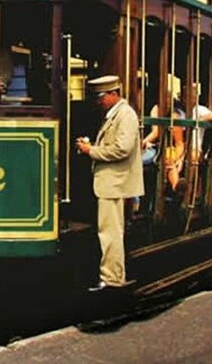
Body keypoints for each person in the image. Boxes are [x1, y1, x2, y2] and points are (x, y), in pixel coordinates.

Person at [75, 74, 144, 291]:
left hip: (114, 183)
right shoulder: (116, 113)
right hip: (110, 182)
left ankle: (112, 279)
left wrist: (91, 150)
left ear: (114, 94)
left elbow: (122, 149)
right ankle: (111, 276)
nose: (98, 101)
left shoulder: (125, 114)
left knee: (110, 233)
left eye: (101, 97)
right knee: (109, 231)